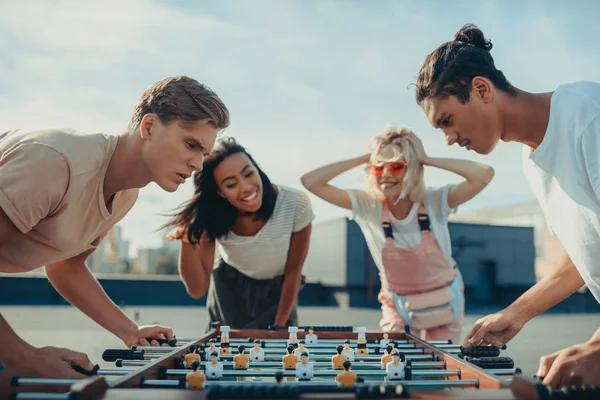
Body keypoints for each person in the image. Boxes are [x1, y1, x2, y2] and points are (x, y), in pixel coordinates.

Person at [0, 75, 230, 381]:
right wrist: (24, 356)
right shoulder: (57, 162)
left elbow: (65, 266)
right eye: (191, 144)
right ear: (148, 127)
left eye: (204, 153)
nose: (199, 165)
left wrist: (130, 331)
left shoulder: (125, 195)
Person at [414, 23, 600, 388]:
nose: (448, 140)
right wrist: (516, 314)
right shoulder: (531, 165)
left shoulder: (587, 115)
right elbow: (582, 258)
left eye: (446, 121)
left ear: (481, 89)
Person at [302, 126, 493, 344]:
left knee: (441, 364)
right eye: (378, 168)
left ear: (413, 169)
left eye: (396, 166)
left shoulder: (434, 202)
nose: (386, 174)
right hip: (398, 303)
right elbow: (310, 181)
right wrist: (368, 156)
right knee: (394, 360)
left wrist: (425, 159)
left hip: (444, 301)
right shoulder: (368, 206)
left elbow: (483, 175)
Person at [166, 137, 314, 330]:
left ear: (256, 168)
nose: (245, 187)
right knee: (225, 356)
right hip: (230, 289)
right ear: (220, 192)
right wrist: (186, 237)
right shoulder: (214, 217)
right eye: (230, 184)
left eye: (248, 173)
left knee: (280, 355)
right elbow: (197, 290)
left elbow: (294, 272)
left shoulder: (295, 204)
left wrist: (278, 327)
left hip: (279, 291)